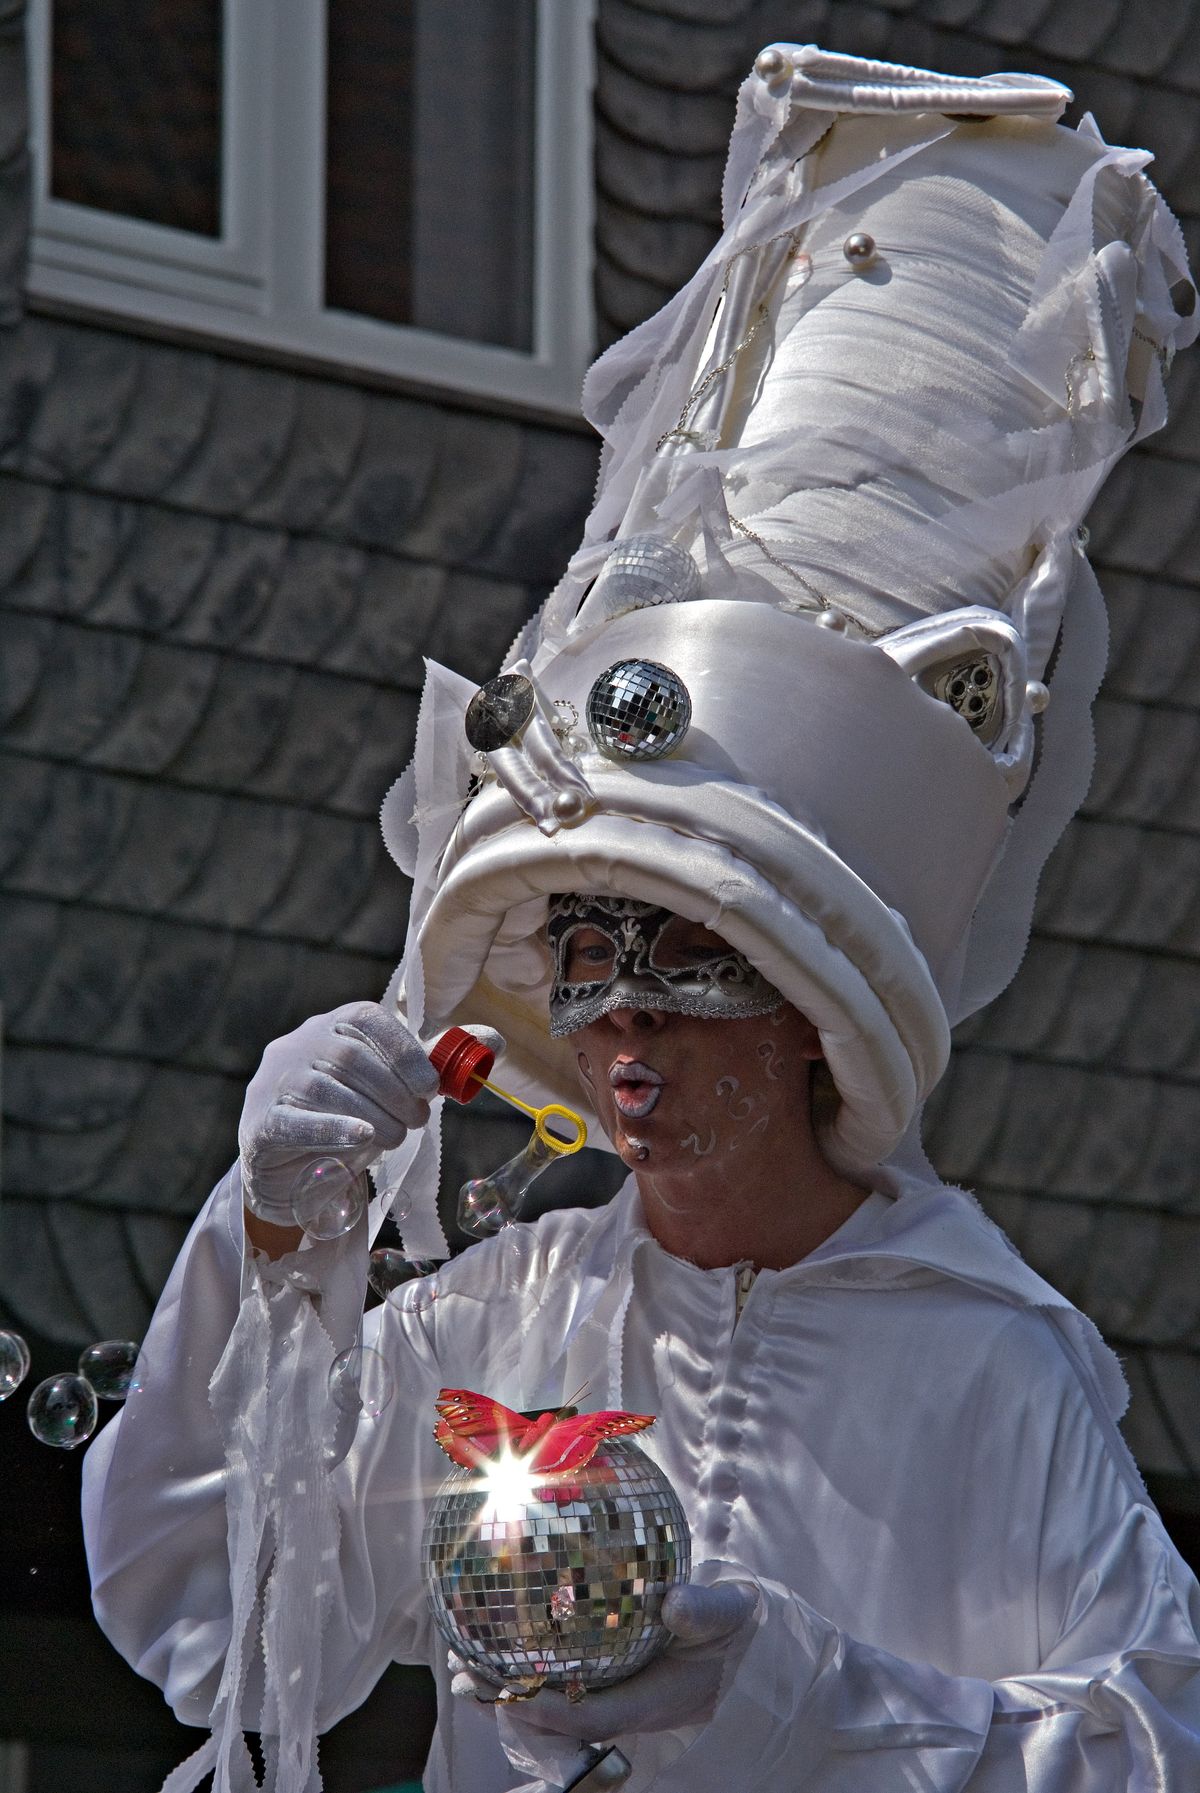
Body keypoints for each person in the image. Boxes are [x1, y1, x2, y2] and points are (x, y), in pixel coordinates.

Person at [82, 41, 1200, 1793]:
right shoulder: (503, 1312)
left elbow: (1153, 1749)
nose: (617, 1029)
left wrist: (808, 1701)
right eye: (587, 961)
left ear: (803, 1002)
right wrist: (275, 1251)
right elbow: (224, 1624)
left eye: (680, 965)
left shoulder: (991, 1364)